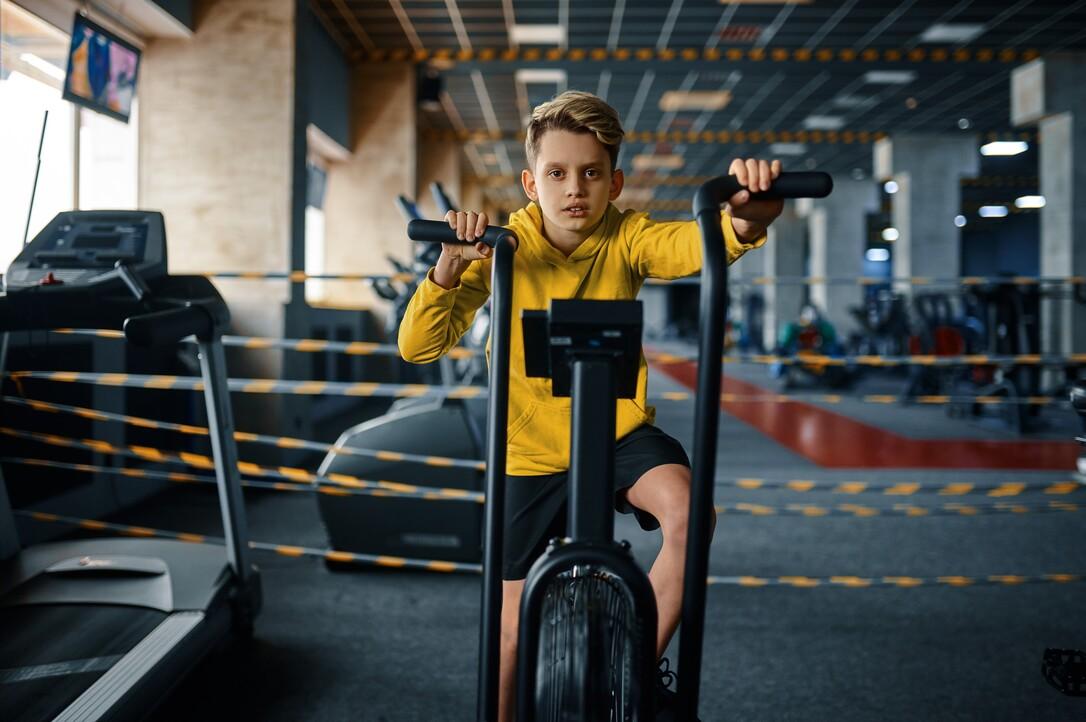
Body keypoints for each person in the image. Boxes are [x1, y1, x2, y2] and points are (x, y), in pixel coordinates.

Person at [398, 90, 783, 720]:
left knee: (691, 517)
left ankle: (627, 668)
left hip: (618, 435)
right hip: (528, 450)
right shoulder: (501, 249)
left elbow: (696, 243)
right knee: (510, 634)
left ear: (614, 182)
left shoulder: (628, 236)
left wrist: (751, 216)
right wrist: (447, 265)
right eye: (556, 173)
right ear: (530, 183)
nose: (574, 188)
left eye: (590, 173)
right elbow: (418, 347)